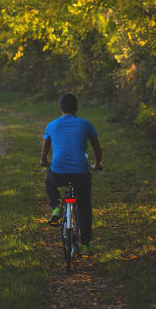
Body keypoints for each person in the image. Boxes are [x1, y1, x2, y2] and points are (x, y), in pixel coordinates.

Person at [40, 92, 102, 257]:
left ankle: (55, 208)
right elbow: (96, 148)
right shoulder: (85, 124)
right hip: (81, 172)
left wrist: (44, 161)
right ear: (77, 108)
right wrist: (97, 164)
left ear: (60, 108)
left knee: (50, 181)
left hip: (59, 171)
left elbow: (45, 149)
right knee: (84, 207)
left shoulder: (52, 125)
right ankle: (85, 245)